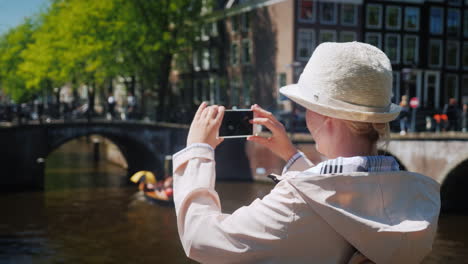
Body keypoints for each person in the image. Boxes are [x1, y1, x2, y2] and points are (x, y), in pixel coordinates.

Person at [172, 42, 440, 263]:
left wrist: (197, 150)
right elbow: (342, 199)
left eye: (306, 106)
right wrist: (291, 156)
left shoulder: (293, 204)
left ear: (327, 118)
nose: (304, 114)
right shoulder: (416, 198)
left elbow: (200, 239)